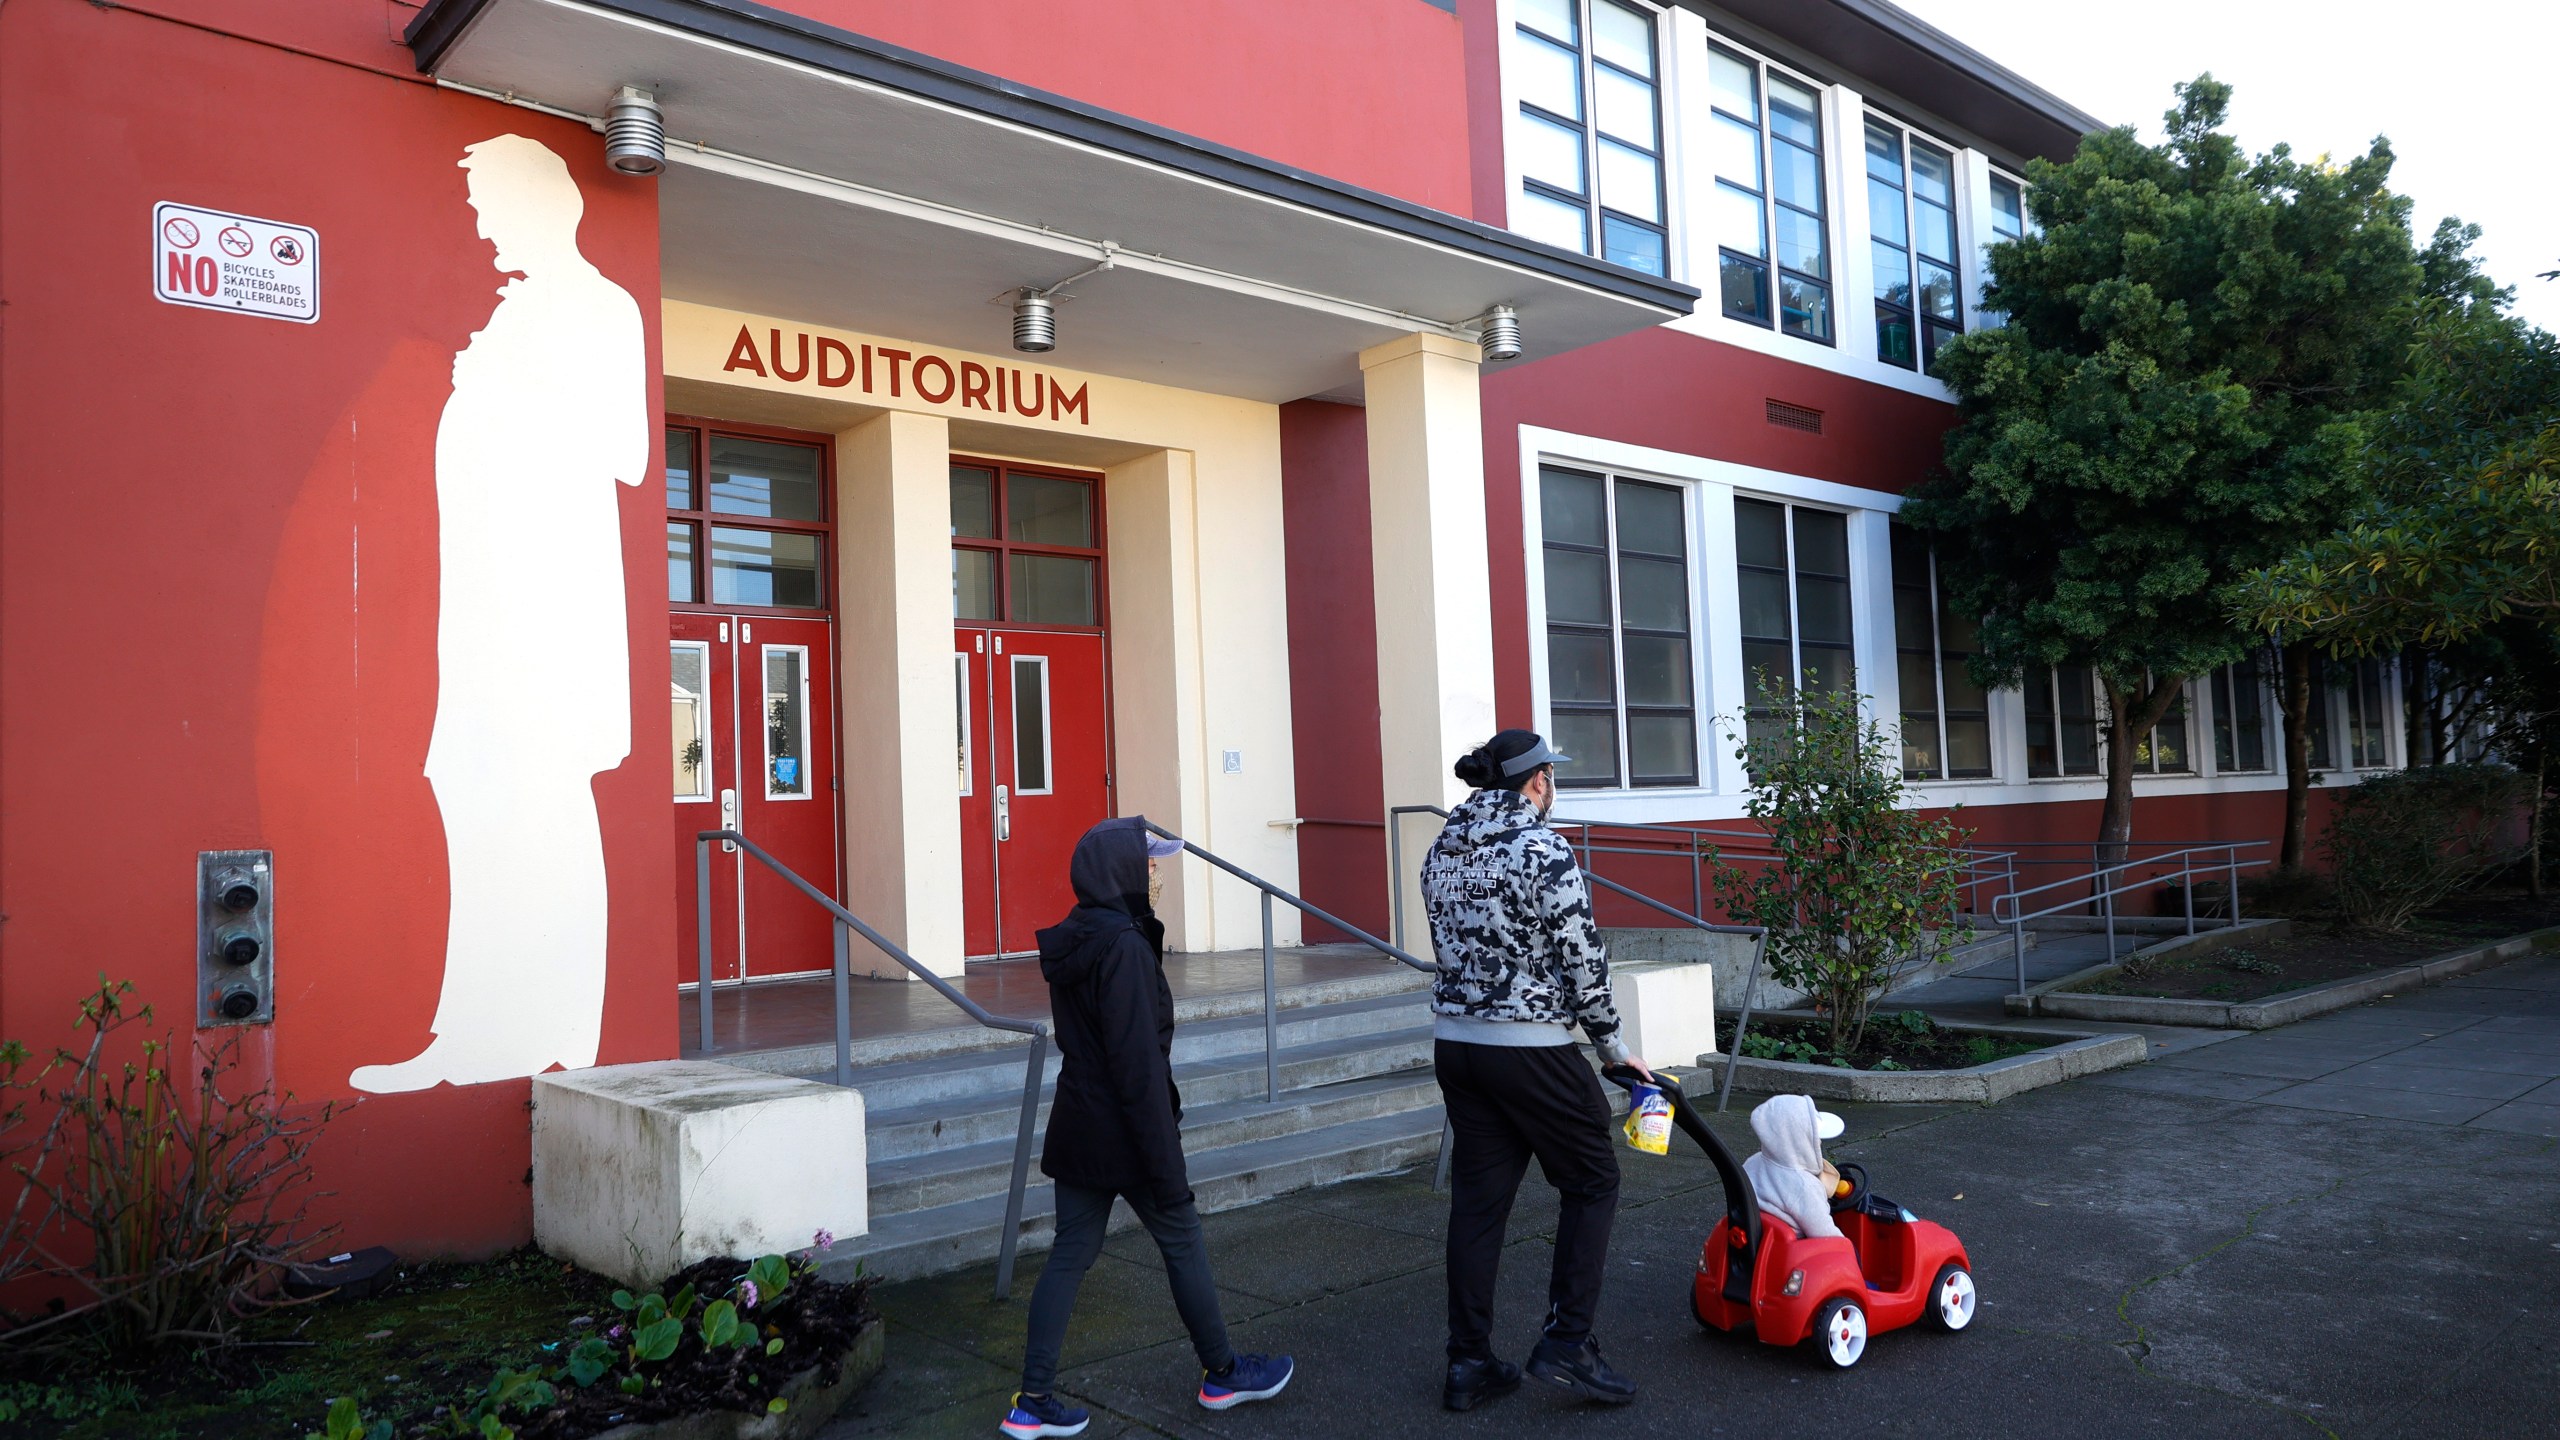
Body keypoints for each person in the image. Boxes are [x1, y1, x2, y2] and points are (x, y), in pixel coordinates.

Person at [354, 134, 646, 1094]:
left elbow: (630, 453)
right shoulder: (512, 314)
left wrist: (512, 382)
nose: (479, 227)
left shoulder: (598, 308)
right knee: (471, 796)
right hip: (483, 617)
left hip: (547, 625)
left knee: (544, 808)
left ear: (544, 204)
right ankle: (472, 1031)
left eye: (490, 208)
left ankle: (559, 1035)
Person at [1001, 817, 1294, 1439]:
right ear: (1123, 874)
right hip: (1125, 1131)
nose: (1157, 874)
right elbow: (1136, 1067)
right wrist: (1166, 1164)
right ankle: (1223, 1373)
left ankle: (1032, 1402)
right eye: (1150, 863)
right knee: (1182, 1237)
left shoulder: (1084, 937)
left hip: (1079, 1122)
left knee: (1070, 1254)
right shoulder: (1125, 948)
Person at [1420, 730, 1652, 1411]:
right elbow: (1581, 954)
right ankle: (1568, 1344)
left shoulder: (1442, 848)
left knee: (1479, 1203)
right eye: (1552, 777)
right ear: (1536, 783)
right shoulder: (1542, 847)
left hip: (1458, 1045)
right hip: (1530, 1048)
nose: (1553, 789)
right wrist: (1613, 1045)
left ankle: (1467, 1364)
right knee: (1593, 1179)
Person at [1743, 1094, 1849, 1240]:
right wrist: (1847, 1246)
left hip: (1758, 1242)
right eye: (1815, 1139)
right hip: (1795, 1251)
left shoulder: (1751, 1163)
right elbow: (1827, 1235)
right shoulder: (1805, 1186)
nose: (1818, 1142)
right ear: (1802, 1140)